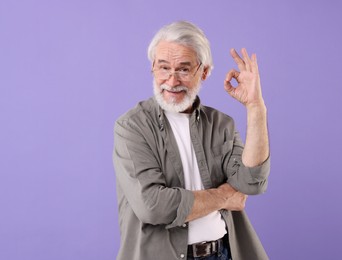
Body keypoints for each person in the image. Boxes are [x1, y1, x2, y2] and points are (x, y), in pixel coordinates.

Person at [113, 21, 270, 260]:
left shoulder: (221, 124)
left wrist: (255, 107)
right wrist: (225, 196)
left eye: (184, 70)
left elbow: (252, 182)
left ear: (204, 71)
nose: (172, 81)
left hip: (221, 253)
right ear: (152, 67)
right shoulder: (132, 127)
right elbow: (153, 206)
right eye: (164, 68)